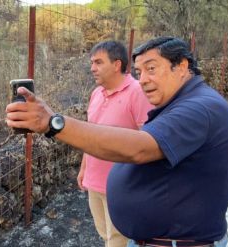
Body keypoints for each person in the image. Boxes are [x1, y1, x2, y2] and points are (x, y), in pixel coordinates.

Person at [6, 37, 228, 247]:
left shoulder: (200, 108)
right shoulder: (182, 101)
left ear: (182, 66)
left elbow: (140, 147)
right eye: (139, 71)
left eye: (151, 69)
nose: (143, 80)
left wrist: (53, 123)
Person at [78, 40, 153, 247]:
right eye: (92, 62)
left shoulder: (138, 93)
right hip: (95, 182)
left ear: (117, 64)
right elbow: (89, 135)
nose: (92, 68)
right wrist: (84, 169)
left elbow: (148, 142)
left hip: (123, 187)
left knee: (119, 241)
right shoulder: (96, 93)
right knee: (105, 235)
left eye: (99, 62)